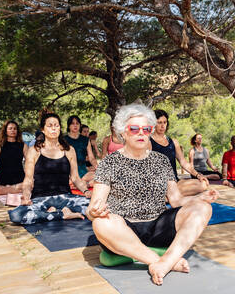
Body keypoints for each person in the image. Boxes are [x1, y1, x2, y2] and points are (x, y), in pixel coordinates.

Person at [87, 103, 218, 286]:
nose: (141, 133)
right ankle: (160, 261)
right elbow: (92, 209)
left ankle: (164, 262)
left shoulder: (161, 161)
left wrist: (199, 198)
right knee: (100, 223)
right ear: (123, 132)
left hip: (159, 225)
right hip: (124, 229)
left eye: (146, 128)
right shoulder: (109, 163)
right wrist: (95, 212)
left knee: (203, 208)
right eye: (134, 129)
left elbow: (176, 200)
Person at [8, 112, 92, 225]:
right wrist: (27, 196)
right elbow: (28, 180)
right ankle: (62, 214)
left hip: (65, 198)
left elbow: (75, 178)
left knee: (95, 206)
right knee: (16, 215)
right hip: (41, 199)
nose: (53, 128)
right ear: (43, 129)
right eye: (50, 125)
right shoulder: (34, 150)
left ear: (60, 128)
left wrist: (86, 191)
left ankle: (53, 213)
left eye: (56, 125)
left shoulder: (69, 150)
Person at [150, 110, 209, 196]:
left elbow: (183, 162)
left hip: (175, 182)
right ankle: (168, 196)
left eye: (165, 122)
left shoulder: (174, 142)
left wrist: (198, 175)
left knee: (203, 184)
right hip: (158, 184)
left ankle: (168, 197)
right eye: (159, 122)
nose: (163, 126)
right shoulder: (148, 142)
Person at [0, 120, 28, 196]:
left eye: (15, 129)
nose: (13, 130)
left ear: (17, 131)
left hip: (19, 177)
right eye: (10, 128)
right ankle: (16, 189)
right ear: (5, 131)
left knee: (33, 186)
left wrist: (29, 177)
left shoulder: (23, 145)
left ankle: (11, 189)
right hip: (3, 176)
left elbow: (29, 163)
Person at [65, 115, 97, 185]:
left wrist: (97, 167)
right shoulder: (63, 140)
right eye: (73, 123)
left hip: (83, 172)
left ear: (80, 125)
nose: (75, 125)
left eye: (77, 123)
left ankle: (82, 183)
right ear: (69, 126)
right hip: (69, 173)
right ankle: (82, 184)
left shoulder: (85, 140)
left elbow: (91, 158)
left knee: (100, 177)